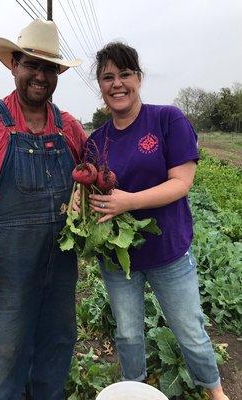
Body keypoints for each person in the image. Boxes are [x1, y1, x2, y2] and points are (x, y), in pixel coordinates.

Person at [0, 19, 87, 400]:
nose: (40, 75)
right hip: (7, 267)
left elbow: (88, 176)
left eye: (48, 67)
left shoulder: (69, 127)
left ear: (58, 73)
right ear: (14, 65)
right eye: (31, 64)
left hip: (60, 267)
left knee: (56, 344)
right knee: (5, 356)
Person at [84, 42, 228, 400]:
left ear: (139, 78)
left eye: (125, 74)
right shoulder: (95, 141)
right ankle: (135, 390)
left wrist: (128, 202)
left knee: (190, 329)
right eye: (107, 77)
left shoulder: (167, 119)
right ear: (100, 86)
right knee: (129, 334)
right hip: (118, 259)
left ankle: (216, 392)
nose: (117, 84)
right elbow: (89, 194)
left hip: (168, 252)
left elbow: (182, 182)